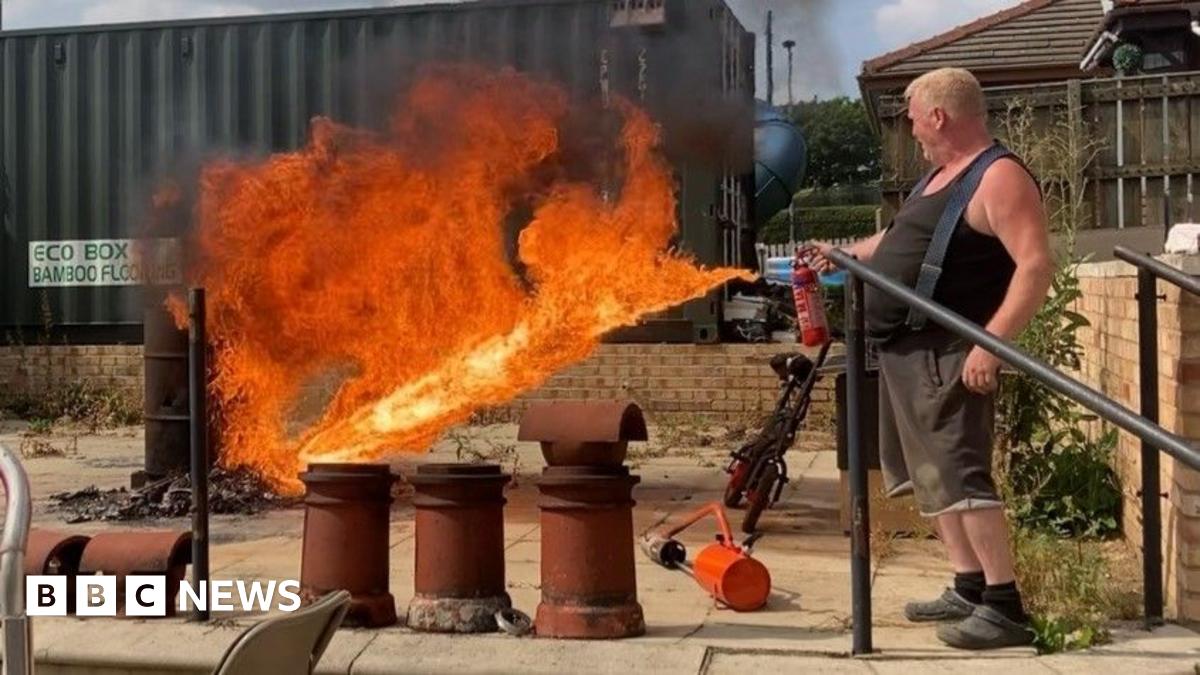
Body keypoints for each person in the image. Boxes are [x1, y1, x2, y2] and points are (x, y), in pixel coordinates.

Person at [804, 67, 1054, 650]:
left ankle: (1004, 606)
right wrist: (842, 255)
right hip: (906, 353)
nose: (910, 128)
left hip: (949, 351)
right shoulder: (938, 179)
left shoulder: (999, 177)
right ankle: (968, 587)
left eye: (912, 115)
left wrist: (990, 343)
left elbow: (1036, 266)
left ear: (938, 115)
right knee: (931, 479)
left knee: (962, 476)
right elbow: (889, 245)